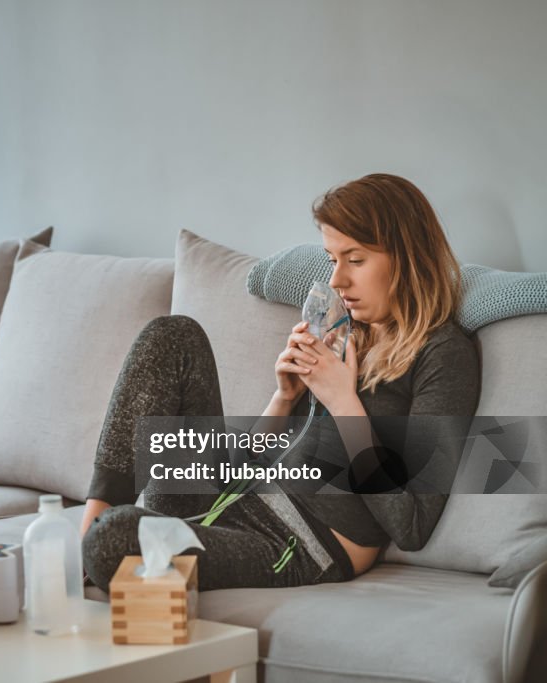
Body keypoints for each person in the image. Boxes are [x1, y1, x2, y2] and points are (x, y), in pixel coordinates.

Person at [80, 173, 481, 592]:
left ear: (407, 257)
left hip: (292, 544)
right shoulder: (343, 333)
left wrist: (344, 403)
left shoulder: (442, 354)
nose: (337, 281)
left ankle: (98, 544)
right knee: (172, 336)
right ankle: (89, 531)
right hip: (230, 502)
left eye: (356, 260)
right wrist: (284, 399)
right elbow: (243, 471)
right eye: (332, 260)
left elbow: (412, 525)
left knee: (116, 539)